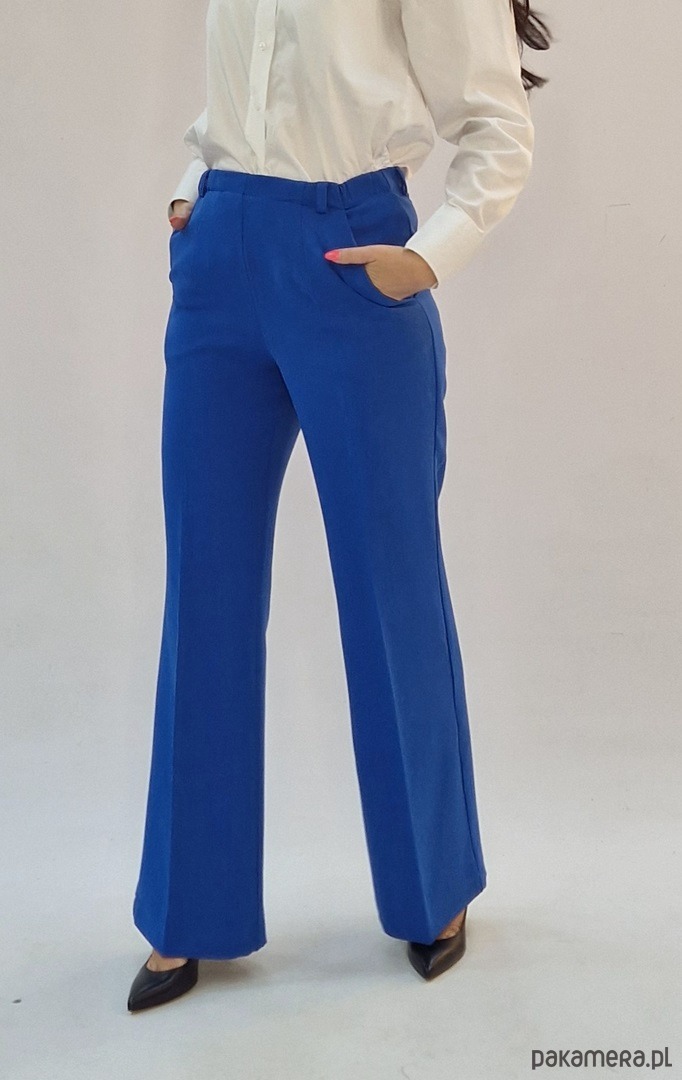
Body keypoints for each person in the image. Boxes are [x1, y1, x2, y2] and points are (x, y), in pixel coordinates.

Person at [127, 0, 551, 1013]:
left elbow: (495, 123)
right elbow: (248, 91)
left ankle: (433, 887)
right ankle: (188, 907)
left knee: (389, 584)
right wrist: (192, 191)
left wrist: (429, 255)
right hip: (220, 258)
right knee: (205, 589)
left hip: (351, 262)